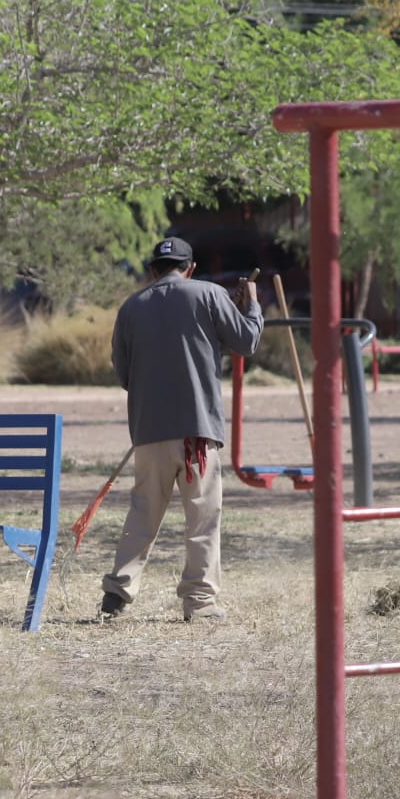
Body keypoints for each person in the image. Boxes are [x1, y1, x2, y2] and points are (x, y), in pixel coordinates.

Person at [100, 237, 264, 622]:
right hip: (197, 433)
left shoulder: (131, 307)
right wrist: (251, 304)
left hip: (148, 432)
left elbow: (125, 376)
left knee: (142, 512)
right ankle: (200, 601)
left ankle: (116, 594)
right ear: (190, 268)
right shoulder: (209, 294)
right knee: (202, 517)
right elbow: (247, 341)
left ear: (153, 271)